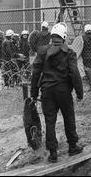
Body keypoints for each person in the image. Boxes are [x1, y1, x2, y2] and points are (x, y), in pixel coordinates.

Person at [30, 22, 84, 163]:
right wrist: (79, 93)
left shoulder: (42, 51)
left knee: (50, 122)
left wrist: (34, 94)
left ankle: (53, 153)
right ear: (64, 36)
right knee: (69, 117)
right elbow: (75, 73)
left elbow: (35, 73)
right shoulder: (69, 52)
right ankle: (72, 146)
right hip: (64, 91)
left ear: (52, 36)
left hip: (47, 91)